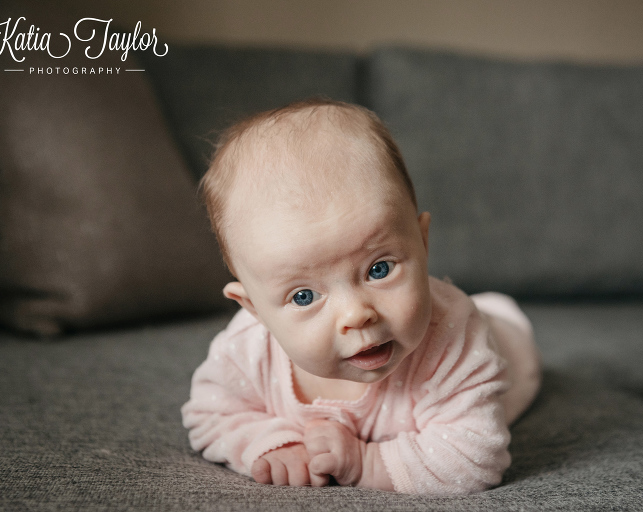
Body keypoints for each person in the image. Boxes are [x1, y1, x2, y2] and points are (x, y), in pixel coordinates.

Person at [181, 98, 541, 494]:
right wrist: (270, 444)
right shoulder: (247, 351)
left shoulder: (456, 343)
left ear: (421, 242)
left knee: (499, 329)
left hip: (510, 345)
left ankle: (497, 311)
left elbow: (475, 459)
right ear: (254, 309)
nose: (356, 314)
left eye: (379, 269)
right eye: (303, 296)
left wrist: (364, 462)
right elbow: (209, 414)